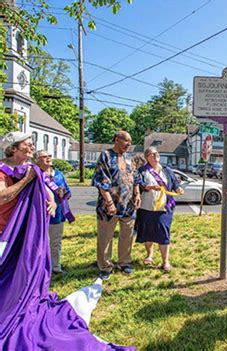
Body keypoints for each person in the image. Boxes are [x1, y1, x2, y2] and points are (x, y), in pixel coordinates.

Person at [0, 132, 134, 350]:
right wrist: (27, 180)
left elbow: (47, 189)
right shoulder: (4, 171)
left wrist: (51, 201)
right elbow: (2, 196)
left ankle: (21, 301)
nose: (32, 146)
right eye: (27, 144)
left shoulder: (29, 169)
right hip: (5, 233)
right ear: (13, 148)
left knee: (23, 272)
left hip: (24, 233)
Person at [92, 131, 141, 280]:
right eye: (126, 141)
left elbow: (136, 177)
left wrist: (137, 194)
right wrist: (109, 202)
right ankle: (105, 266)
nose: (129, 144)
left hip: (128, 205)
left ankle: (124, 262)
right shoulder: (106, 155)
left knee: (127, 235)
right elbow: (101, 181)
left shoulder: (129, 158)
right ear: (117, 140)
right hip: (109, 206)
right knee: (105, 236)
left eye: (130, 142)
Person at [135, 147, 183, 271]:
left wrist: (178, 189)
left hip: (164, 208)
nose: (156, 155)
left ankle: (165, 261)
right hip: (147, 207)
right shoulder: (142, 171)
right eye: (152, 154)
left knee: (163, 233)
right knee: (148, 233)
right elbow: (137, 185)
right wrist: (149, 187)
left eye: (157, 153)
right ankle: (149, 255)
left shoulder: (167, 170)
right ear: (147, 157)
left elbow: (174, 183)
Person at [35, 149, 75, 274]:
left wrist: (64, 194)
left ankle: (55, 267)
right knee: (39, 243)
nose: (48, 158)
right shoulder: (35, 174)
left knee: (55, 242)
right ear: (37, 160)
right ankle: (39, 268)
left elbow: (68, 192)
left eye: (50, 156)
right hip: (39, 215)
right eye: (44, 156)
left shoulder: (59, 174)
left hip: (57, 215)